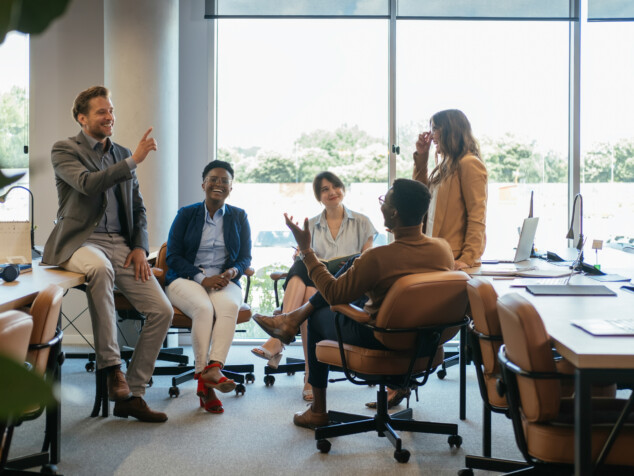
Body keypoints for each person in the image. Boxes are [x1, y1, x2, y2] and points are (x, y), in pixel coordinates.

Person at [252, 178, 455, 429]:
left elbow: (334, 294)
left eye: (385, 201)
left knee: (317, 316)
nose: (381, 206)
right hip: (426, 342)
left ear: (394, 212)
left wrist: (306, 250)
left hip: (382, 338)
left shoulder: (379, 258)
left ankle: (317, 409)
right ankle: (292, 319)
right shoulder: (443, 250)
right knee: (353, 264)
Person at [42, 86, 173, 422]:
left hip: (123, 246)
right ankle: (112, 366)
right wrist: (134, 161)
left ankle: (134, 392)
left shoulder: (122, 153)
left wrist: (141, 247)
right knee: (99, 269)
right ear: (82, 118)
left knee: (162, 310)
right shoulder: (64, 150)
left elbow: (138, 208)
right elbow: (88, 184)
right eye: (102, 112)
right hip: (81, 242)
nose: (109, 117)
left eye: (111, 111)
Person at [251, 171, 376, 402]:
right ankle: (307, 371)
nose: (332, 192)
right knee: (303, 273)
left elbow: (366, 262)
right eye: (325, 189)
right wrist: (302, 252)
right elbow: (307, 260)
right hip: (319, 286)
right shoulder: (312, 224)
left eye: (335, 186)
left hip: (346, 285)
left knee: (310, 283)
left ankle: (282, 338)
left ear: (343, 189)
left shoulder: (362, 221)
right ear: (319, 196)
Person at [164, 160, 252, 414]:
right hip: (187, 278)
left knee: (229, 307)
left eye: (225, 181)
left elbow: (245, 257)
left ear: (231, 188)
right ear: (203, 184)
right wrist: (202, 278)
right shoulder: (186, 214)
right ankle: (207, 378)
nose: (219, 184)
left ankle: (213, 369)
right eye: (213, 179)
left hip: (225, 280)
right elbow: (173, 256)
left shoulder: (239, 216)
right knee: (203, 308)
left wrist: (232, 272)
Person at [412, 109, 487, 270]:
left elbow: (477, 216)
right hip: (435, 256)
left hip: (455, 260)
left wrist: (467, 258)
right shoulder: (444, 167)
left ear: (450, 131)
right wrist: (422, 156)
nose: (431, 136)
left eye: (435, 129)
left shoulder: (469, 163)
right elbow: (418, 197)